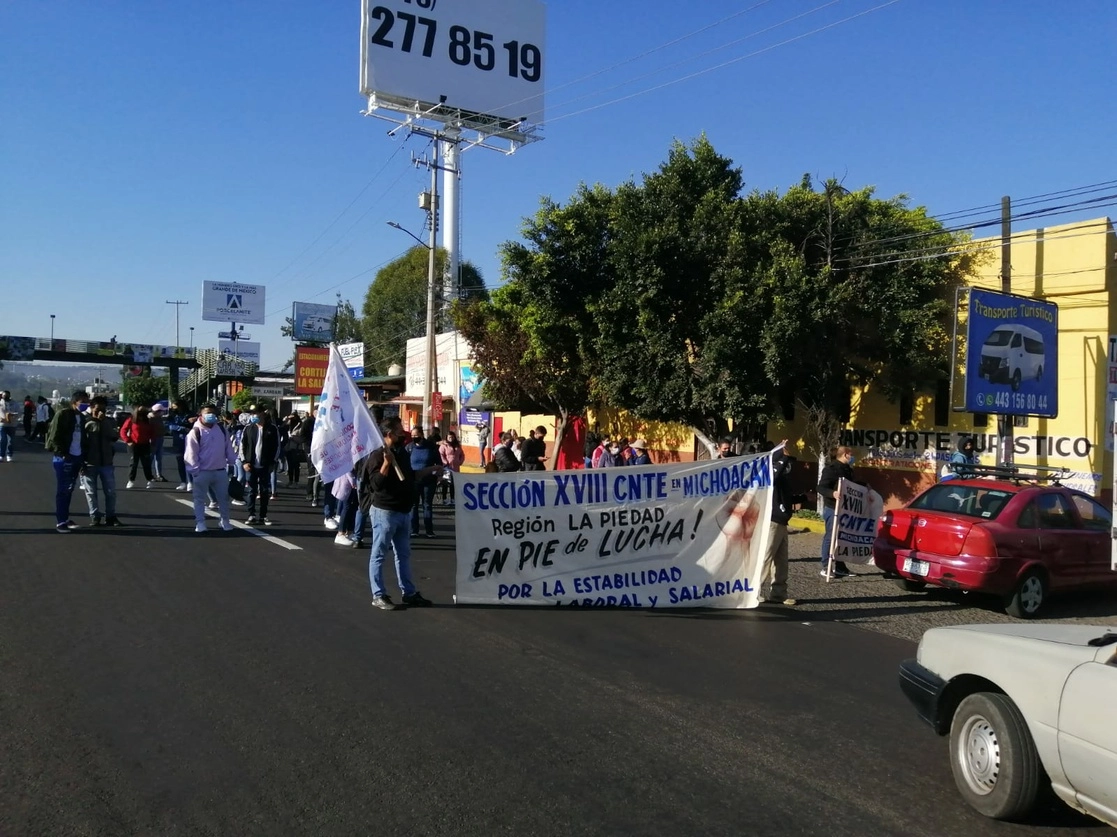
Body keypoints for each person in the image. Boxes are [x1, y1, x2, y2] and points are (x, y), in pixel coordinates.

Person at [361, 416, 441, 610]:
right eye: (399, 432)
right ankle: (378, 594)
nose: (404, 435)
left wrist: (431, 470)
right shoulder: (377, 456)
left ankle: (409, 592)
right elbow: (376, 485)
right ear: (389, 434)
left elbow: (409, 476)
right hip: (385, 512)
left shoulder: (402, 453)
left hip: (404, 510)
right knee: (379, 554)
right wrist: (386, 465)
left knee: (403, 554)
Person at [761, 444, 808, 606]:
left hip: (782, 523)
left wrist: (803, 498)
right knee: (765, 558)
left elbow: (787, 499)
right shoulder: (771, 475)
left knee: (781, 562)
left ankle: (779, 594)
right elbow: (774, 476)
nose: (790, 466)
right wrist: (782, 456)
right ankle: (753, 592)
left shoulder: (784, 480)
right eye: (787, 461)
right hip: (772, 522)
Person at [184, 404, 238, 533]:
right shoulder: (195, 432)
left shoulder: (221, 429)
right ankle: (200, 523)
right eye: (208, 412)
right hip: (202, 472)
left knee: (224, 498)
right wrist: (195, 471)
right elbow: (191, 453)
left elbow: (228, 447)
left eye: (213, 413)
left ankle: (225, 521)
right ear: (200, 415)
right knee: (199, 499)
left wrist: (231, 461)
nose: (211, 415)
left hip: (220, 471)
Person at [44, 390, 90, 531]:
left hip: (77, 457)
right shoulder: (63, 414)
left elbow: (82, 439)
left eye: (87, 402)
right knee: (63, 490)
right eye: (82, 402)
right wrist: (63, 454)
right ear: (74, 402)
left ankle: (65, 517)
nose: (85, 405)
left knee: (69, 489)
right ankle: (61, 521)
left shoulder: (81, 418)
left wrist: (83, 459)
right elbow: (54, 435)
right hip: (64, 457)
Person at [80, 396, 123, 527]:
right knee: (91, 493)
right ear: (92, 407)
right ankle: (94, 516)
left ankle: (110, 516)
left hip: (106, 462)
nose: (101, 412)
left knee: (110, 492)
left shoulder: (109, 421)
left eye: (103, 409)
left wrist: (103, 422)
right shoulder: (85, 422)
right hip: (89, 462)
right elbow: (80, 443)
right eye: (98, 409)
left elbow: (114, 437)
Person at [818, 445, 859, 579]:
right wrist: (833, 493)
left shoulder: (848, 470)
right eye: (851, 454)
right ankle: (826, 566)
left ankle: (840, 567)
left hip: (845, 509)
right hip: (832, 508)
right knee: (830, 537)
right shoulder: (831, 469)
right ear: (845, 454)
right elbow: (821, 487)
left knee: (841, 538)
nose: (852, 457)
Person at [240, 405, 280, 525]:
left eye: (256, 413)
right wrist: (244, 462)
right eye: (252, 413)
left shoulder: (272, 428)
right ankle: (251, 514)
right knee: (252, 491)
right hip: (251, 465)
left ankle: (263, 516)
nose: (254, 415)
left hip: (265, 465)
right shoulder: (248, 428)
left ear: (263, 413)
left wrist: (273, 462)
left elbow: (277, 446)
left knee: (264, 491)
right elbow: (242, 445)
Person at [407, 426, 438, 538]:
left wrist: (437, 475)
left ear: (421, 435)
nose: (414, 437)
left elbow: (438, 463)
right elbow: (405, 463)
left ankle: (429, 530)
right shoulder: (409, 447)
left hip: (429, 481)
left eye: (416, 435)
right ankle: (414, 530)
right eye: (412, 436)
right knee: (414, 506)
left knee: (427, 505)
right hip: (414, 481)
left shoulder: (431, 447)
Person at [119, 406, 156, 488]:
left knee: (146, 463)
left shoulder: (148, 421)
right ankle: (131, 480)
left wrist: (152, 442)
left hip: (145, 444)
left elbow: (152, 432)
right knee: (133, 463)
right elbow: (123, 430)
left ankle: (149, 480)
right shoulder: (131, 420)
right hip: (134, 444)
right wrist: (128, 440)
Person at [166, 400, 196, 490]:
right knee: (180, 461)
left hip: (190, 440)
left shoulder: (190, 414)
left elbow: (195, 424)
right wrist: (182, 428)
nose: (173, 408)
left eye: (175, 406)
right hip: (178, 440)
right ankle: (183, 482)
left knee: (190, 461)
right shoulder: (172, 415)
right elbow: (169, 426)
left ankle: (190, 482)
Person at [438, 430, 464, 506]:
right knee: (445, 483)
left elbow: (462, 454)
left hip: (456, 467)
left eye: (452, 437)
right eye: (449, 437)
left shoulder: (457, 445)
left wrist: (460, 461)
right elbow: (441, 454)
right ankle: (444, 499)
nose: (451, 439)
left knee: (454, 484)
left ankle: (453, 499)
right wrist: (445, 463)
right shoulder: (443, 446)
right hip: (446, 467)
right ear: (447, 437)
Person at [148, 403, 168, 482]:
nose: (162, 413)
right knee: (151, 457)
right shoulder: (150, 418)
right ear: (157, 411)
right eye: (161, 411)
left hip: (160, 438)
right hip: (153, 439)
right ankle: (149, 475)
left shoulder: (159, 418)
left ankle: (159, 474)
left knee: (159, 458)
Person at [0, 391, 16, 461]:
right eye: (3, 395)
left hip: (11, 424)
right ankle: (2, 455)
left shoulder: (14, 404)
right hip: (2, 424)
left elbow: (19, 412)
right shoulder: (0, 403)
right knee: (2, 440)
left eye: (6, 395)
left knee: (11, 441)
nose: (4, 396)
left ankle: (9, 454)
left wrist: (13, 416)